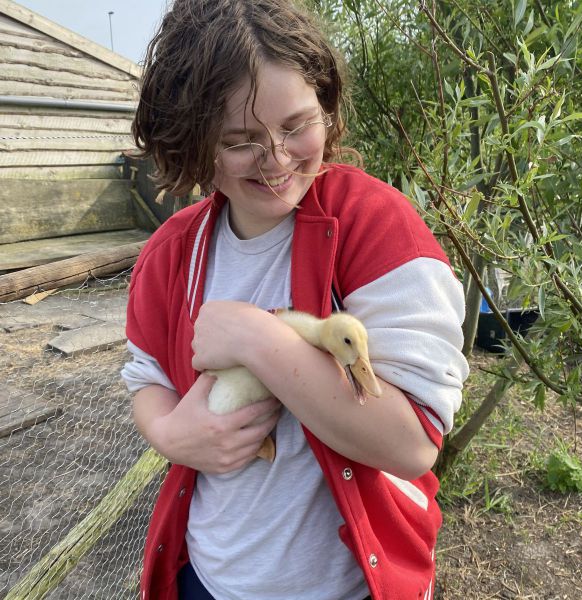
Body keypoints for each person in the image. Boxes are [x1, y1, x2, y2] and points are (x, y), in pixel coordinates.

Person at [121, 1, 469, 599]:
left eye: (296, 125)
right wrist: (170, 437)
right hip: (209, 573)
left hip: (344, 584)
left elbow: (411, 445)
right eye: (241, 141)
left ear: (327, 107)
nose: (279, 160)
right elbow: (145, 376)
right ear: (194, 139)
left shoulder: (374, 226)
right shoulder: (170, 255)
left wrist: (258, 340)